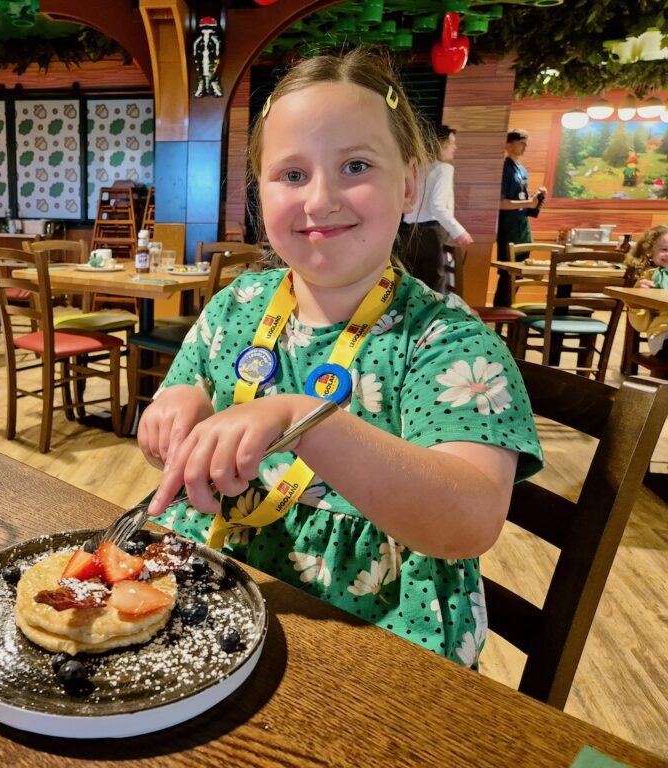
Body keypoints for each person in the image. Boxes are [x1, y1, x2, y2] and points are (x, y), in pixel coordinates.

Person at [139, 50, 543, 667]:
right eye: (291, 175)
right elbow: (185, 395)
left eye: (355, 166)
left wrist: (304, 419)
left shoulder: (445, 341)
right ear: (260, 191)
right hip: (216, 597)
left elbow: (470, 520)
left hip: (377, 636)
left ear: (409, 184)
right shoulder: (236, 305)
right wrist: (178, 406)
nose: (320, 199)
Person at [399, 125, 472, 292]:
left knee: (413, 283)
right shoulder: (443, 168)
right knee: (434, 285)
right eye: (451, 143)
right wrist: (459, 232)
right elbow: (438, 206)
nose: (455, 147)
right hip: (431, 233)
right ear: (440, 144)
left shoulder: (418, 167)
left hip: (410, 231)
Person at [494, 129, 546, 307]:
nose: (525, 146)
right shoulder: (504, 168)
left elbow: (523, 199)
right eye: (521, 142)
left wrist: (535, 200)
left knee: (520, 270)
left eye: (526, 143)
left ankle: (508, 309)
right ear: (509, 144)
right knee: (508, 273)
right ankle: (500, 312)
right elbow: (500, 202)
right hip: (509, 226)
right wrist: (527, 204)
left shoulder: (522, 170)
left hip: (523, 225)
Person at [623, 225, 668, 358]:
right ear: (650, 252)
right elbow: (641, 325)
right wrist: (636, 300)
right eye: (664, 249)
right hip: (663, 334)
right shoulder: (649, 279)